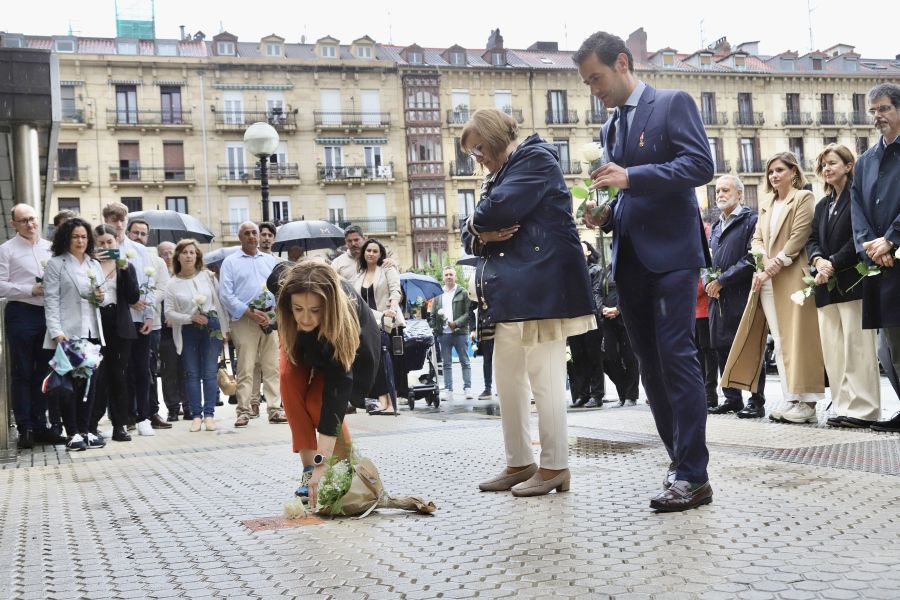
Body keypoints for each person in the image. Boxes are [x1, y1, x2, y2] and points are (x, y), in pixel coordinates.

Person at [575, 31, 714, 511]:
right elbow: (622, 197)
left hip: (674, 254)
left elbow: (700, 164)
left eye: (596, 78)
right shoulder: (610, 128)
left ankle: (694, 474)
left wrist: (630, 177)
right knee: (649, 366)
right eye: (587, 83)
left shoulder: (672, 103)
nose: (593, 89)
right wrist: (604, 214)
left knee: (677, 356)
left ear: (621, 62)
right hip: (628, 257)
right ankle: (681, 464)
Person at [461, 108, 595, 497]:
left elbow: (492, 211)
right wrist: (480, 232)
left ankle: (555, 466)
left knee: (545, 379)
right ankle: (520, 461)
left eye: (480, 148)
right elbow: (472, 231)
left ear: (495, 137)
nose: (479, 159)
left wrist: (479, 226)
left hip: (544, 288)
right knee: (508, 379)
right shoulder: (502, 173)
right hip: (515, 292)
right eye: (472, 154)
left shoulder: (534, 159)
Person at [723, 152, 825, 423]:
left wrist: (773, 264)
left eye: (780, 170)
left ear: (793, 172)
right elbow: (756, 239)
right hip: (767, 279)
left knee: (800, 339)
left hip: (791, 276)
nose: (774, 175)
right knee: (780, 341)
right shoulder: (767, 203)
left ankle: (809, 404)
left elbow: (799, 236)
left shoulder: (804, 198)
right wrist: (762, 262)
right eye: (771, 171)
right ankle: (791, 398)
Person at [274, 260, 380, 504]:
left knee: (317, 402)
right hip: (301, 343)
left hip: (347, 347)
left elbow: (335, 399)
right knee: (287, 379)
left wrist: (323, 463)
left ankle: (343, 464)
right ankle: (308, 469)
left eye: (314, 310)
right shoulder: (283, 283)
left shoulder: (342, 324)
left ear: (327, 306)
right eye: (298, 308)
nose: (306, 318)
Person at [807, 144, 881, 427]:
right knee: (834, 350)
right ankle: (843, 406)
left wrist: (832, 263)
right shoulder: (823, 205)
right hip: (825, 286)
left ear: (849, 166)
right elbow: (812, 239)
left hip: (852, 281)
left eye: (833, 163)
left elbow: (858, 237)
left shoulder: (857, 198)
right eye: (824, 164)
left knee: (857, 347)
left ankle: (864, 409)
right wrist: (817, 260)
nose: (826, 168)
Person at [850, 82, 900, 433]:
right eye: (873, 111)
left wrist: (892, 240)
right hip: (878, 265)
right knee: (887, 347)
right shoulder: (865, 161)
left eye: (883, 108)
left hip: (896, 256)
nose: (877, 117)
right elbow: (856, 206)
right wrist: (870, 244)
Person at [0, 204, 64, 449]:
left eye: (33, 219)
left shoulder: (51, 248)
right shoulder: (6, 250)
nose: (30, 224)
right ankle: (25, 428)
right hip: (22, 313)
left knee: (44, 372)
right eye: (24, 220)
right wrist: (29, 289)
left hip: (49, 314)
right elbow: (1, 284)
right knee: (23, 372)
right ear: (13, 223)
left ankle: (41, 426)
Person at [101, 203, 167, 436]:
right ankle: (122, 417)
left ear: (127, 220)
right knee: (117, 371)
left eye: (122, 219)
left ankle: (143, 417)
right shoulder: (100, 248)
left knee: (141, 369)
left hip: (138, 318)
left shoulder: (140, 251)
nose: (118, 224)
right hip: (112, 319)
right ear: (106, 219)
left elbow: (149, 285)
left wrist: (149, 314)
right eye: (113, 219)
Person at [705, 175, 767, 418]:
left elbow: (752, 258)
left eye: (725, 190)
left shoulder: (751, 220)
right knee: (721, 345)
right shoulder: (716, 225)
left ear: (740, 194)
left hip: (741, 292)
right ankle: (732, 398)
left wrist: (722, 280)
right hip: (717, 296)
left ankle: (756, 399)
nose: (720, 194)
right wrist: (708, 280)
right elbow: (707, 258)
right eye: (717, 190)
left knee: (747, 345)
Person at [42, 217, 105, 451]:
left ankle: (87, 430)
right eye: (75, 236)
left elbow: (102, 295)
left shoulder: (94, 265)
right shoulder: (56, 264)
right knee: (69, 386)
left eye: (83, 236)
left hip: (92, 332)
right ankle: (73, 433)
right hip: (68, 334)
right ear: (66, 239)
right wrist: (57, 332)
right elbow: (51, 300)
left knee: (90, 384)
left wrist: (101, 297)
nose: (80, 241)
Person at [218, 221, 287, 427]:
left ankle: (275, 408)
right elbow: (226, 295)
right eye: (247, 233)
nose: (252, 237)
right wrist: (249, 312)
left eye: (254, 233)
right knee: (246, 367)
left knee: (272, 366)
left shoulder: (270, 261)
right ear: (240, 237)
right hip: (244, 320)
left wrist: (273, 314)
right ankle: (244, 411)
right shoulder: (230, 262)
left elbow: (280, 288)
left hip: (270, 319)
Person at [165, 240, 228, 432]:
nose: (189, 256)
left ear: (197, 256)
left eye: (192, 252)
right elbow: (168, 313)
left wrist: (225, 330)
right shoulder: (172, 283)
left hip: (211, 326)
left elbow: (219, 304)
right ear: (178, 257)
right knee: (191, 374)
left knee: (209, 373)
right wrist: (189, 317)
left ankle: (209, 415)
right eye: (184, 252)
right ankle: (196, 416)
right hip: (188, 329)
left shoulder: (208, 277)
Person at [89, 224, 140, 442]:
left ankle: (120, 425)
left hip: (120, 327)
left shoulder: (125, 266)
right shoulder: (88, 265)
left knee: (118, 377)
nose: (106, 246)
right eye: (101, 243)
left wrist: (126, 268)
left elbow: (133, 297)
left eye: (110, 242)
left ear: (117, 242)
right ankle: (90, 425)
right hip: (95, 325)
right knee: (97, 378)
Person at [127, 219, 173, 425]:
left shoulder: (157, 261)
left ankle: (151, 411)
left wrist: (146, 302)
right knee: (127, 367)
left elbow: (163, 287)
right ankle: (128, 413)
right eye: (135, 232)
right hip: (126, 319)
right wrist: (132, 300)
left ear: (148, 236)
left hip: (150, 321)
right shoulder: (122, 255)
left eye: (143, 233)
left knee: (149, 368)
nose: (138, 236)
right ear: (128, 233)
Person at [352, 238, 403, 414]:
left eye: (375, 251)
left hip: (387, 322)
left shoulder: (387, 269)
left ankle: (392, 403)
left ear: (380, 254)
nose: (371, 254)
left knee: (387, 363)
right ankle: (383, 403)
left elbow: (396, 290)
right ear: (363, 253)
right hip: (366, 325)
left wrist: (393, 308)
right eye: (368, 250)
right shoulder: (359, 275)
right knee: (374, 364)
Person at [597, 262, 640, 406]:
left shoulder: (629, 268)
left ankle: (631, 396)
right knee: (609, 357)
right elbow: (597, 291)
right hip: (607, 320)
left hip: (625, 318)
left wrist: (618, 309)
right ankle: (622, 393)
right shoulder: (606, 270)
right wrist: (602, 308)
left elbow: (633, 291)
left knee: (630, 357)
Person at [569, 241, 606, 408]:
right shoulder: (570, 269)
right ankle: (583, 394)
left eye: (582, 246)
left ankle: (596, 395)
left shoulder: (596, 270)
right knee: (578, 357)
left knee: (593, 356)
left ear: (588, 252)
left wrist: (595, 311)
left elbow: (596, 291)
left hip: (591, 316)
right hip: (573, 316)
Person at [429, 266, 473, 399]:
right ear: (443, 277)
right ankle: (448, 390)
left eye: (451, 274)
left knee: (465, 361)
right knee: (446, 364)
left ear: (455, 277)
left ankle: (468, 389)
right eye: (446, 275)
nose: (448, 277)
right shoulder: (437, 294)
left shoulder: (463, 292)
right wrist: (435, 327)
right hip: (444, 334)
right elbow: (432, 315)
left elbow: (468, 313)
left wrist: (457, 323)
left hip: (460, 332)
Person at [156, 241, 189, 420]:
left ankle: (189, 406)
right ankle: (173, 408)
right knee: (169, 371)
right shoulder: (157, 276)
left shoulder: (183, 274)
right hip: (166, 331)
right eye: (164, 254)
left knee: (186, 369)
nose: (168, 257)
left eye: (171, 253)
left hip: (184, 329)